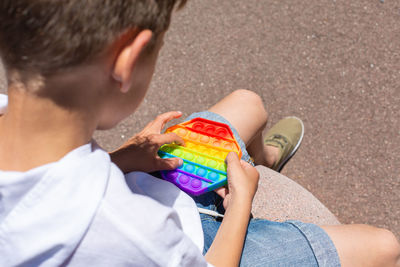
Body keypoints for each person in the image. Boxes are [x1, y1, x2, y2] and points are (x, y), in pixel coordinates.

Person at [0, 0, 398, 266]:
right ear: (128, 60)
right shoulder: (125, 231)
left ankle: (266, 161)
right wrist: (241, 203)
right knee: (386, 248)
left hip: (139, 183)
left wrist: (120, 159)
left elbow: (46, 188)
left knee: (248, 104)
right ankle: (253, 177)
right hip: (203, 242)